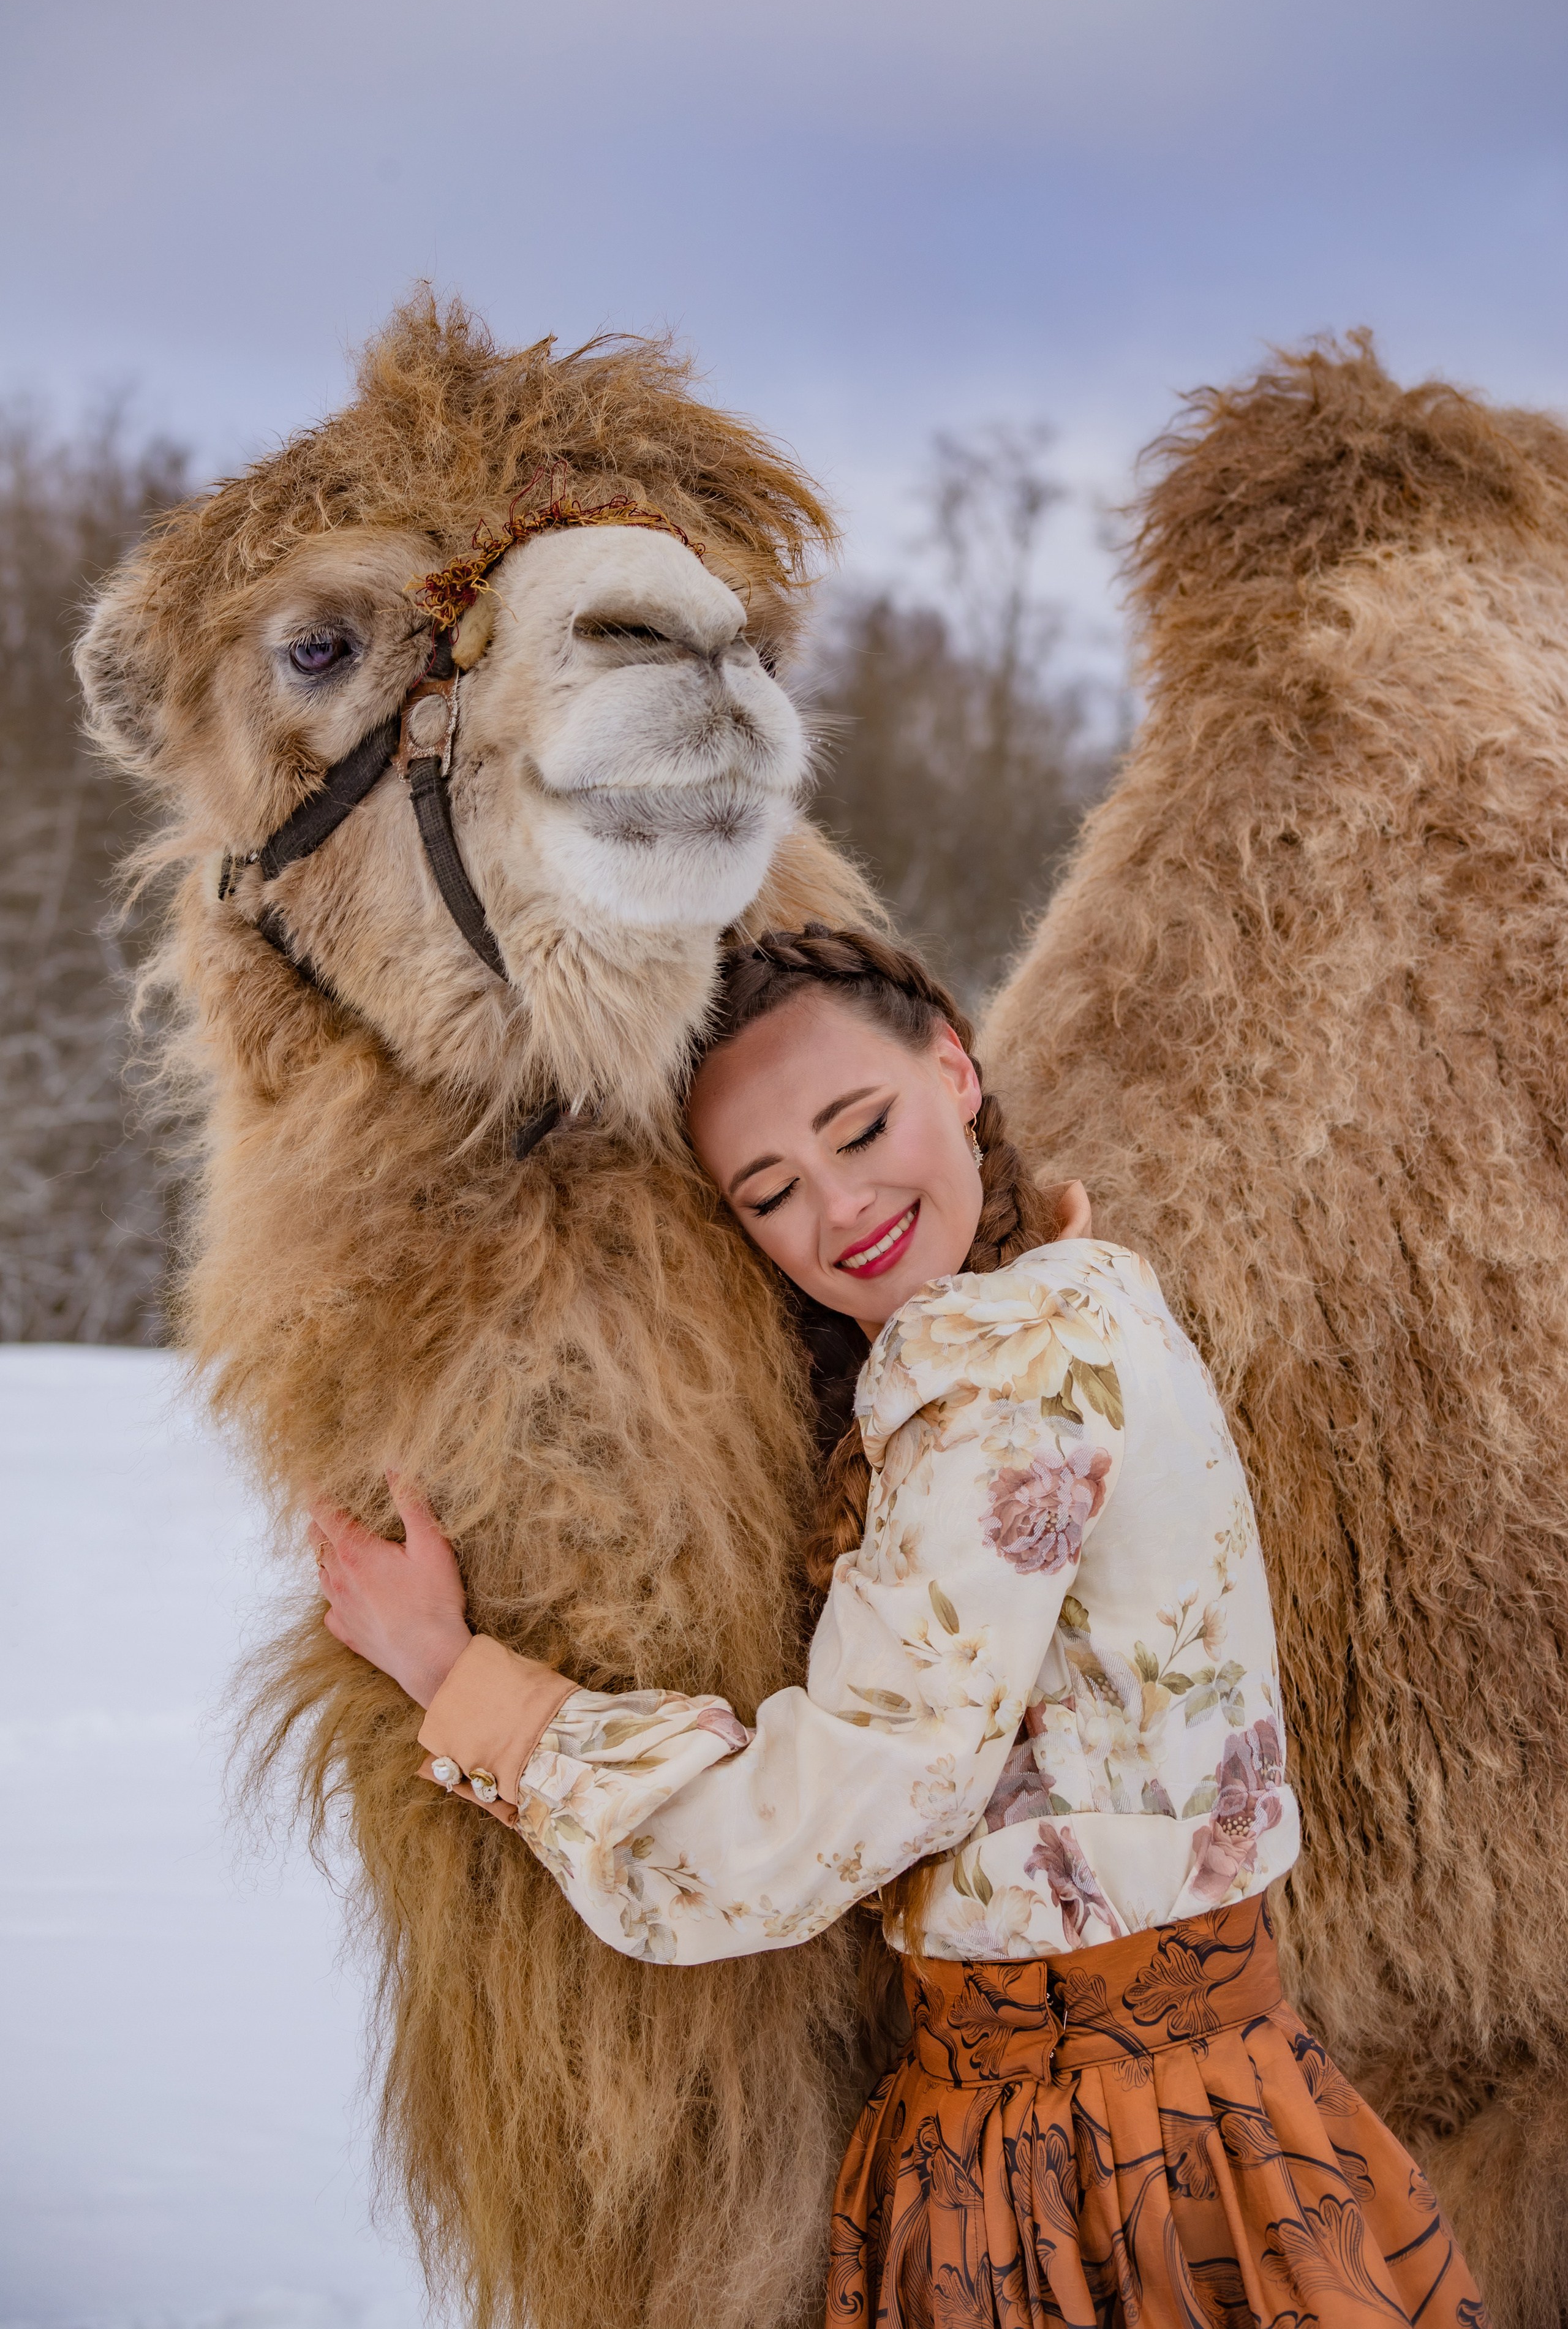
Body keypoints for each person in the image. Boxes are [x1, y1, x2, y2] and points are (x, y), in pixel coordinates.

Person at [313, 924, 1489, 2328]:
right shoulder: (1087, 1299)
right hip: (1203, 2101)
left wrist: (461, 1680)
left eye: (858, 1126)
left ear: (954, 1067)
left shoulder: (1001, 1375)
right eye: (769, 1192)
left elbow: (818, 1825)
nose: (839, 1206)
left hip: (1084, 2161)